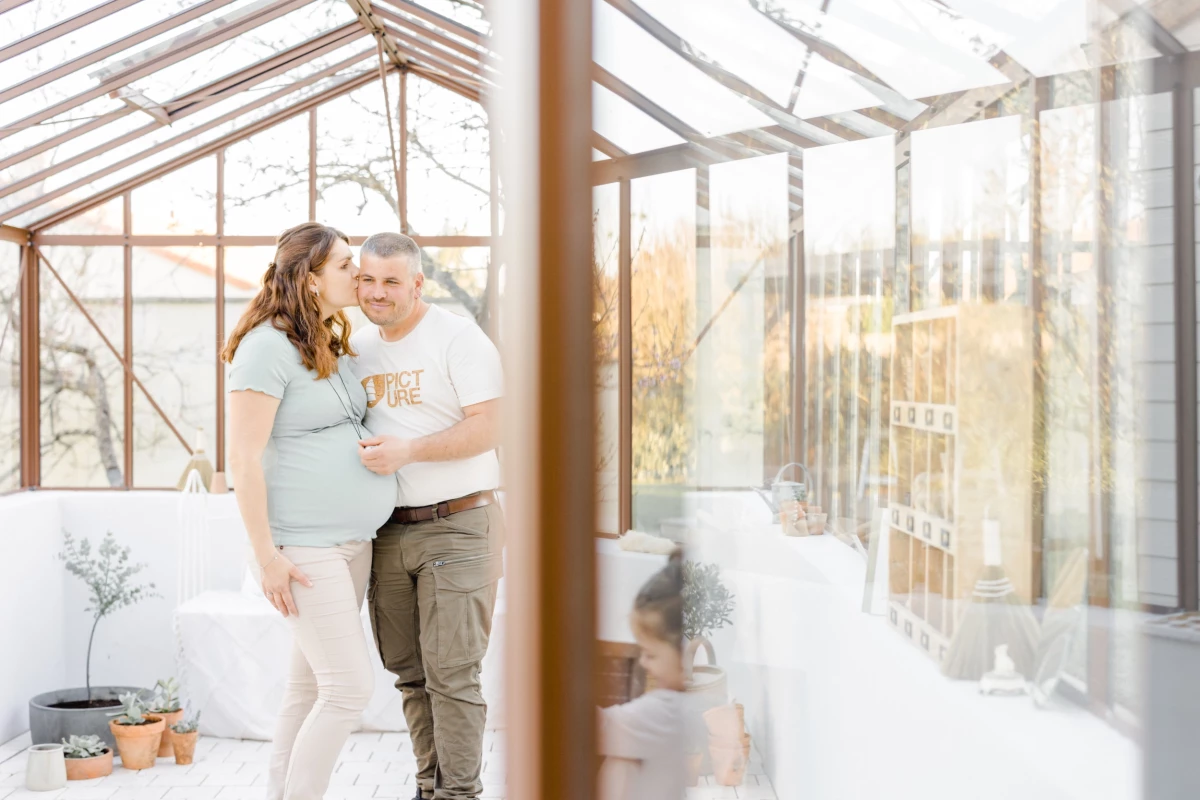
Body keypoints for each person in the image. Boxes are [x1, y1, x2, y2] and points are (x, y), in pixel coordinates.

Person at [223, 222, 395, 800]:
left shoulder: (327, 341)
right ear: (311, 278)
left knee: (308, 689)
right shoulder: (264, 348)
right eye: (347, 265)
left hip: (353, 544)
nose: (360, 273)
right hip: (302, 548)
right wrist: (266, 557)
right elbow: (242, 461)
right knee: (348, 688)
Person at [351, 232, 504, 800]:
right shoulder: (356, 346)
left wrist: (410, 451)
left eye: (391, 280)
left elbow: (493, 424)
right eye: (366, 279)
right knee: (410, 674)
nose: (377, 291)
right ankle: (429, 787)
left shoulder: (458, 338)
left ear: (418, 283)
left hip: (460, 525)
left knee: (453, 676)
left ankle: (460, 795)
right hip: (387, 531)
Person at [597, 551, 688, 800]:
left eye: (651, 654)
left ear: (687, 654)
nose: (643, 662)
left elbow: (597, 728)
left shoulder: (668, 709)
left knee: (622, 760)